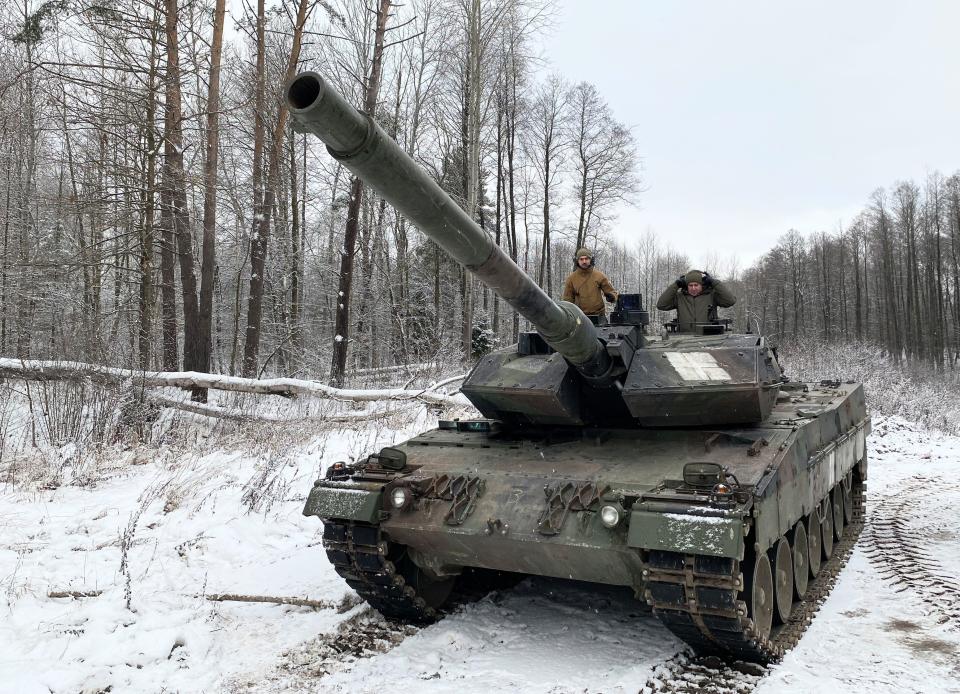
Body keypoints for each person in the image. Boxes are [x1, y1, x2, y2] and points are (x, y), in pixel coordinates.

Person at [656, 269, 736, 332]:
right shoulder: (680, 297)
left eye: (696, 285)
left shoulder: (712, 295)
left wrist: (714, 282)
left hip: (709, 337)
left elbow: (730, 301)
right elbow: (661, 305)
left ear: (701, 285)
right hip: (684, 338)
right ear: (686, 286)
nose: (693, 288)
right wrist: (676, 285)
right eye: (690, 285)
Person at [562, 247, 619, 324]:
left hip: (599, 317)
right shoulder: (571, 279)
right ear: (577, 261)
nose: (584, 261)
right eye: (581, 259)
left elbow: (612, 292)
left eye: (586, 259)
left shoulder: (599, 276)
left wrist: (612, 296)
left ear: (591, 260)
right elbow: (567, 300)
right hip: (580, 318)